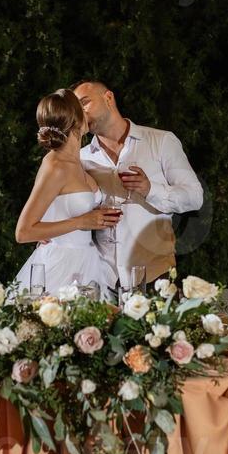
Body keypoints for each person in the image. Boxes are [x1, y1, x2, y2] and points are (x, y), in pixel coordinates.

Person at [72, 79, 204, 289]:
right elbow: (66, 209)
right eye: (75, 110)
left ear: (108, 98)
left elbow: (195, 198)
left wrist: (150, 189)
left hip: (154, 278)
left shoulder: (161, 142)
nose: (81, 114)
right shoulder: (80, 157)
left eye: (85, 103)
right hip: (100, 279)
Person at [14, 88, 118, 298]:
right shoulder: (56, 165)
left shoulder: (78, 162)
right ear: (76, 119)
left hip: (88, 262)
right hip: (61, 266)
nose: (87, 112)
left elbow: (59, 208)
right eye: (82, 107)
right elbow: (23, 232)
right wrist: (81, 221)